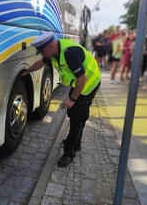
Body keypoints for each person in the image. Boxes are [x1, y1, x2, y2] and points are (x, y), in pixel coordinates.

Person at [22, 32, 101, 167]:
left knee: (77, 118)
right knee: (74, 114)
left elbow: (83, 79)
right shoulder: (54, 52)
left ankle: (69, 153)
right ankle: (76, 143)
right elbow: (40, 63)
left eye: (42, 51)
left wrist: (71, 99)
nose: (41, 54)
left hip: (88, 84)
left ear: (51, 46)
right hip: (79, 83)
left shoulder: (68, 53)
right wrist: (26, 72)